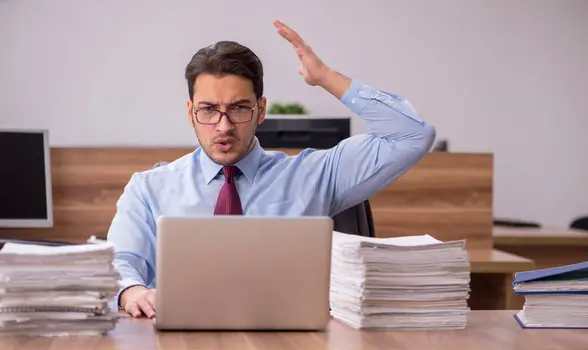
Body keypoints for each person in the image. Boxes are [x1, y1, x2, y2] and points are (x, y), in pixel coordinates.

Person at [108, 20, 436, 318]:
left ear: (261, 110)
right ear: (190, 112)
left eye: (238, 108)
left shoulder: (314, 176)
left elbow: (413, 135)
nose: (223, 126)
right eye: (208, 110)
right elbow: (119, 264)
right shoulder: (149, 188)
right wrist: (132, 292)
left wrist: (325, 77)